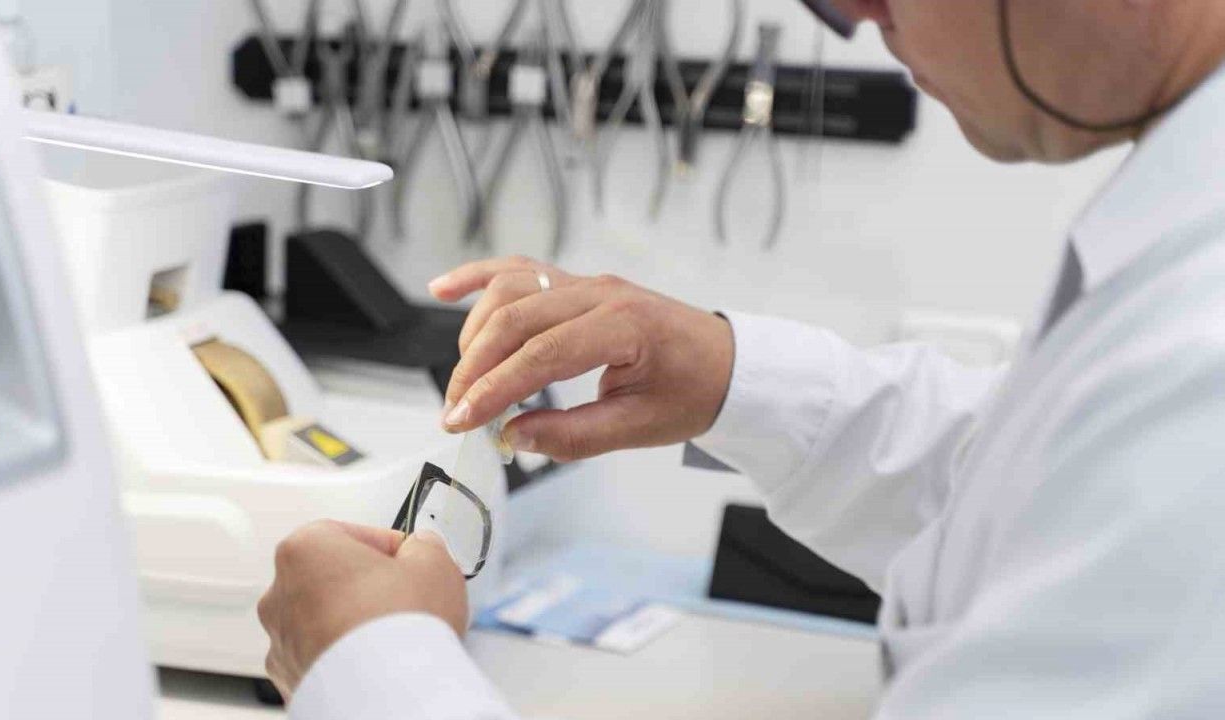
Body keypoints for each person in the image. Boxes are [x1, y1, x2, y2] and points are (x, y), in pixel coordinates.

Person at [257, 0, 1225, 716]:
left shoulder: (1199, 345)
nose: (853, 13)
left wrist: (372, 669)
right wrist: (729, 377)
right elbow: (1025, 488)